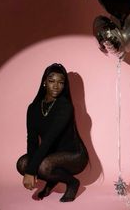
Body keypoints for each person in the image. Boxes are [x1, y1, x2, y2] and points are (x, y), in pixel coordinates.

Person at [16, 63, 89, 202]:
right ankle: (52, 180)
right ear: (44, 82)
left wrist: (32, 171)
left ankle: (72, 182)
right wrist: (29, 169)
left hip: (74, 155)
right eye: (51, 81)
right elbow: (32, 140)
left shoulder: (65, 106)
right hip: (52, 154)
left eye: (61, 82)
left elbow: (49, 139)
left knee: (44, 166)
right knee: (22, 164)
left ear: (64, 85)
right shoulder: (33, 108)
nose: (56, 86)